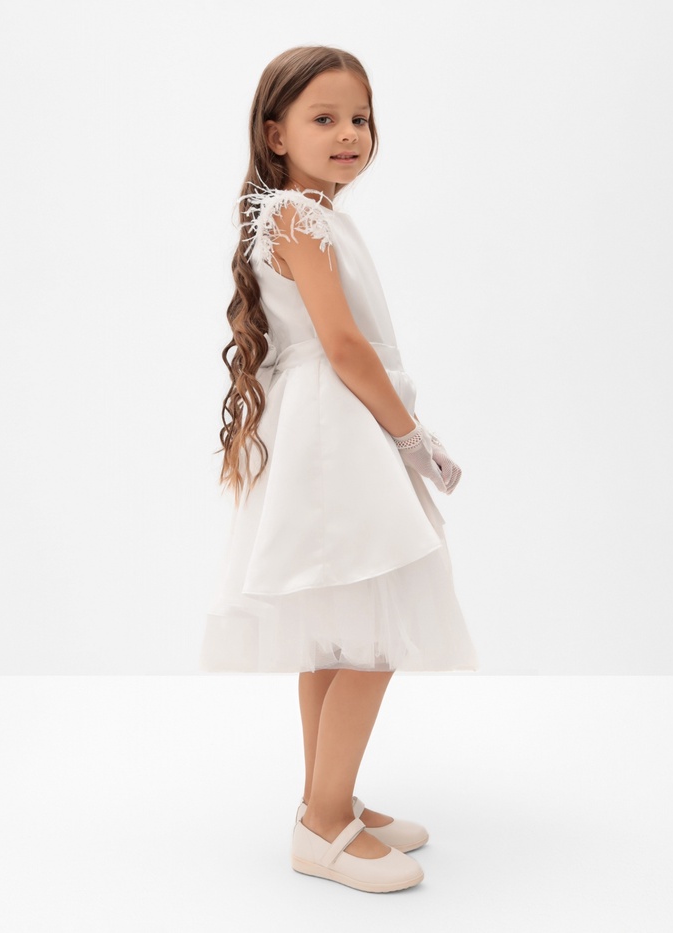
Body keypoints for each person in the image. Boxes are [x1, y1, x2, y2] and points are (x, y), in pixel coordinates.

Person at [200, 45, 479, 893]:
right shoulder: (297, 215)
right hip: (337, 436)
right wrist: (412, 436)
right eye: (324, 118)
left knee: (337, 632)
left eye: (360, 117)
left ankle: (328, 799)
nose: (350, 132)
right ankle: (322, 825)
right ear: (275, 134)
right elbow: (345, 346)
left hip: (328, 429)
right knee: (370, 637)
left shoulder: (306, 213)